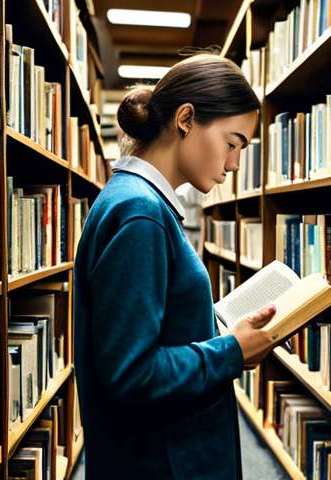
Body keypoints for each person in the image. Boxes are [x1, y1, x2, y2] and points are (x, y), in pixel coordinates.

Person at [73, 53, 278, 479]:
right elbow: (131, 374)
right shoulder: (139, 213)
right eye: (233, 142)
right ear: (186, 119)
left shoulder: (139, 202)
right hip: (162, 462)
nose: (235, 164)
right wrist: (232, 351)